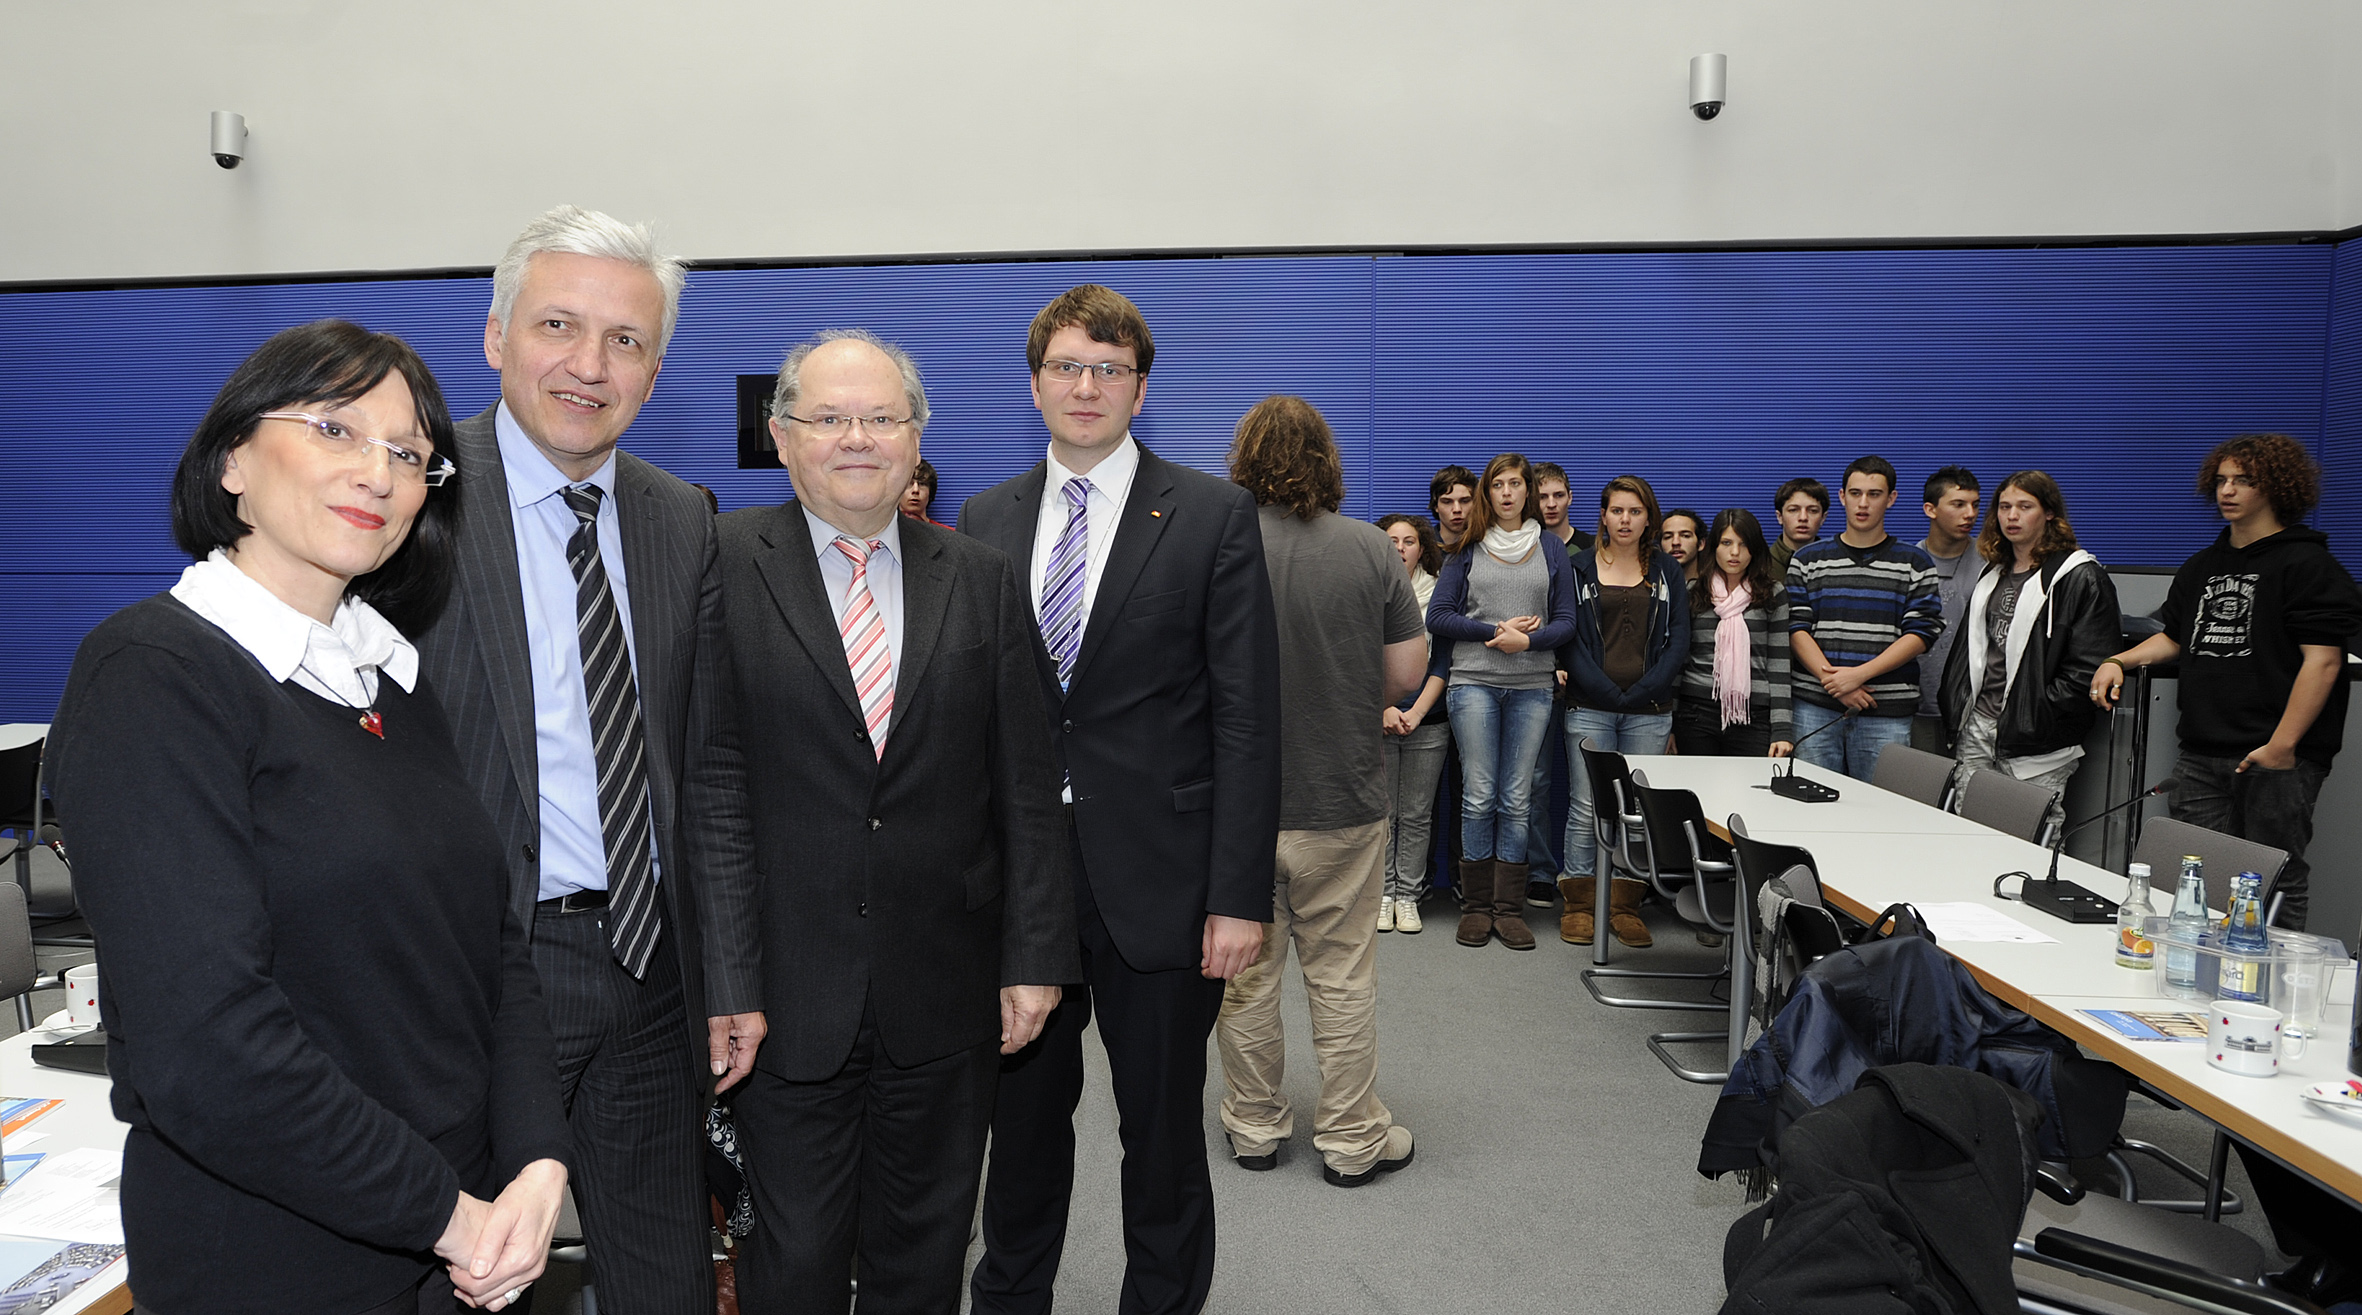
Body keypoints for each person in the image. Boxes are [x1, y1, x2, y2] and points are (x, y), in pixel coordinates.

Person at [48, 320, 572, 1315]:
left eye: (410, 453)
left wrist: (539, 1166)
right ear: (232, 458)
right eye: (335, 429)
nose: (378, 472)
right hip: (281, 1262)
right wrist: (451, 1215)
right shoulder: (155, 675)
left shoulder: (386, 675)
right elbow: (204, 1049)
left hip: (465, 1251)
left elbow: (492, 955)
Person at [414, 206, 764, 1315]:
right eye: (558, 324)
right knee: (466, 1275)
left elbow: (704, 766)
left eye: (625, 340)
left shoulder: (678, 519)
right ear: (494, 335)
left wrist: (729, 977)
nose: (588, 363)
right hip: (473, 972)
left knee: (663, 1277)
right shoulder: (409, 501)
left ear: (654, 373)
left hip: (650, 970)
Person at [712, 330, 1077, 1313]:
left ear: (916, 437)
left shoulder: (982, 577)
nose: (857, 438)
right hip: (781, 999)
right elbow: (706, 788)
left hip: (947, 990)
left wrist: (1034, 956)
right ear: (782, 436)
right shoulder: (717, 563)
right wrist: (724, 978)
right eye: (828, 418)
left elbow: (1027, 788)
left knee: (922, 1256)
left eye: (881, 417)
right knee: (792, 1262)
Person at [961, 284, 1281, 1315]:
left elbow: (1246, 718)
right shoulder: (985, 518)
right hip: (1023, 894)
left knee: (1160, 1136)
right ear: (1035, 383)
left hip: (1164, 886)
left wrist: (1238, 895)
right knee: (1019, 1136)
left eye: (1108, 368)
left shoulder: (1212, 514)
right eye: (1066, 366)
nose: (1086, 385)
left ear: (1140, 387)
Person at [1215, 396, 1424, 1188]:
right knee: (1341, 977)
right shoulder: (1373, 549)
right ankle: (1350, 1139)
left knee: (1244, 977)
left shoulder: (1212, 544)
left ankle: (1255, 1126)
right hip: (1340, 799)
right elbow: (1405, 680)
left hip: (1235, 810)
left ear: (1245, 460)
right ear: (1328, 461)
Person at [2093, 434, 2362, 931]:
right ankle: (2202, 977)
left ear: (2277, 487)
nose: (2227, 491)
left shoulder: (2309, 565)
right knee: (2198, 877)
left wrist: (2283, 747)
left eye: (2243, 480)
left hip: (2275, 756)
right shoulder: (2204, 564)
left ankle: (2265, 986)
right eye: (2221, 480)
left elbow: (2323, 662)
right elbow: (2175, 637)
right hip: (2200, 752)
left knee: (2272, 879)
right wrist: (2118, 660)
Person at [1427, 452, 1577, 951]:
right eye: (1499, 485)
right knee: (1478, 793)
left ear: (1527, 491)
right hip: (1472, 682)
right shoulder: (1467, 547)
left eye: (1516, 483)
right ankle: (1474, 908)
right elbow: (1439, 617)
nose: (1508, 493)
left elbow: (1566, 623)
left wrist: (1527, 643)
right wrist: (1495, 631)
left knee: (1517, 797)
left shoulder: (1551, 548)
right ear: (1488, 494)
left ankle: (1508, 911)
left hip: (1532, 685)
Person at [1939, 471, 2119, 825]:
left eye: (2024, 506)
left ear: (2049, 513)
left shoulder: (2080, 576)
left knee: (2032, 842)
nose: (2012, 516)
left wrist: (2038, 714)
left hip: (2036, 740)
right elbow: (1974, 651)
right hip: (1978, 727)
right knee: (1966, 833)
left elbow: (2088, 668)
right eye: (2005, 507)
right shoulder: (1994, 572)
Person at [1557, 475, 1692, 948]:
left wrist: (1644, 690)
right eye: (1617, 511)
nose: (1626, 520)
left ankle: (1624, 904)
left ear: (1647, 518)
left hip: (1650, 709)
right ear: (1604, 515)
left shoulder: (1666, 571)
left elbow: (1679, 640)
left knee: (1636, 809)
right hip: (1590, 705)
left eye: (1635, 512)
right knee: (1584, 807)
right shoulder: (1577, 567)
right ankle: (1578, 902)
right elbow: (1567, 637)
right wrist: (1606, 691)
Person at [1786, 457, 1944, 782]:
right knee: (1807, 810)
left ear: (1891, 498)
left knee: (1880, 814)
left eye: (1874, 494)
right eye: (1855, 493)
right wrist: (1835, 683)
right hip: (1814, 706)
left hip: (1886, 710)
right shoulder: (1806, 559)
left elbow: (1922, 632)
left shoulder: (1915, 562)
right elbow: (1795, 627)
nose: (1863, 503)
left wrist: (1857, 676)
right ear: (1842, 496)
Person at [1674, 508, 1795, 761]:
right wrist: (1670, 724)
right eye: (1726, 543)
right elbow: (1679, 660)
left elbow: (1779, 663)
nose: (1735, 553)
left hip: (1754, 716)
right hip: (1697, 713)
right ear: (1712, 546)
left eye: (1743, 544)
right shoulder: (1694, 591)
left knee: (1749, 795)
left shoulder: (1772, 593)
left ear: (1755, 548)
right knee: (1698, 794)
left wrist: (1782, 728)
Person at [1377, 513, 1448, 934]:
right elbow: (1356, 657)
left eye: (1409, 541)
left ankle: (1408, 896)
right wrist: (1383, 706)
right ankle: (1382, 894)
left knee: (1418, 814)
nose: (1400, 548)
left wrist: (1417, 711)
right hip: (1377, 718)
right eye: (1392, 541)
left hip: (1430, 719)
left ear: (1423, 548)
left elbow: (1443, 662)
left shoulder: (1439, 596)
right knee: (1382, 814)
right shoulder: (1366, 589)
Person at [1914, 467, 1982, 752]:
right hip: (1919, 706)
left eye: (1975, 505)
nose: (1970, 514)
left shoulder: (1992, 563)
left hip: (1976, 707)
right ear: (1931, 509)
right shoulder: (1909, 563)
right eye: (1958, 504)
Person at [1769, 477, 1829, 574]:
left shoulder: (1836, 565)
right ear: (1779, 516)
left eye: (1813, 511)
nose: (1803, 517)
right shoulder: (1759, 566)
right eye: (1793, 510)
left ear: (1823, 518)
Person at [1534, 461, 1597, 551]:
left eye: (1559, 495)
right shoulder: (1523, 550)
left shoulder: (1592, 547)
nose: (1551, 504)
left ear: (1570, 498)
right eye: (1542, 497)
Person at [1430, 464, 1477, 552]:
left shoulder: (1490, 547)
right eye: (1447, 502)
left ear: (1476, 503)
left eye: (1465, 501)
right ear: (1435, 506)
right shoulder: (1421, 549)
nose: (1457, 509)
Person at [1661, 508, 1706, 584]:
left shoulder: (1714, 589)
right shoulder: (1651, 587)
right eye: (1668, 537)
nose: (1675, 542)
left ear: (1701, 544)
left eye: (1685, 536)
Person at [901, 456, 949, 527]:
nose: (915, 490)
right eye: (909, 483)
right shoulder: (882, 535)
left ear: (930, 492)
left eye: (922, 484)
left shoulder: (948, 535)